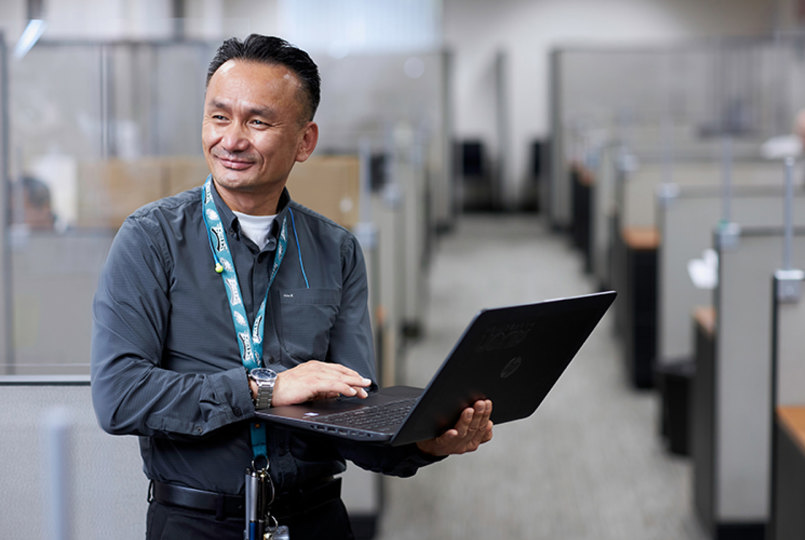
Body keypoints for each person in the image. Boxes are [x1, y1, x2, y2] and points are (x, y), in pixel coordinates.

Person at [90, 34, 493, 540]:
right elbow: (119, 395)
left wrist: (428, 442)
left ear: (305, 141)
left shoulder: (336, 249)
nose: (232, 139)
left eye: (257, 121)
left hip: (314, 519)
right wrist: (266, 388)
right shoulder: (151, 239)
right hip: (197, 523)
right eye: (219, 117)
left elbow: (352, 410)